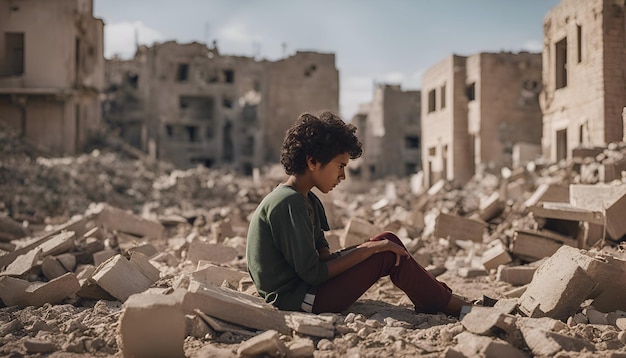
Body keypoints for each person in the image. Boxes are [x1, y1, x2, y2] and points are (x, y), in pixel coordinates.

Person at [246, 111, 472, 317]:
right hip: (298, 300)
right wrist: (369, 250)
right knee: (384, 253)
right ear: (313, 162)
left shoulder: (308, 200)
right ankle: (450, 304)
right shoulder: (288, 202)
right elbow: (314, 274)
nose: (343, 176)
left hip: (309, 291)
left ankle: (439, 298)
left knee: (387, 241)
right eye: (340, 166)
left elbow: (325, 258)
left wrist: (372, 246)